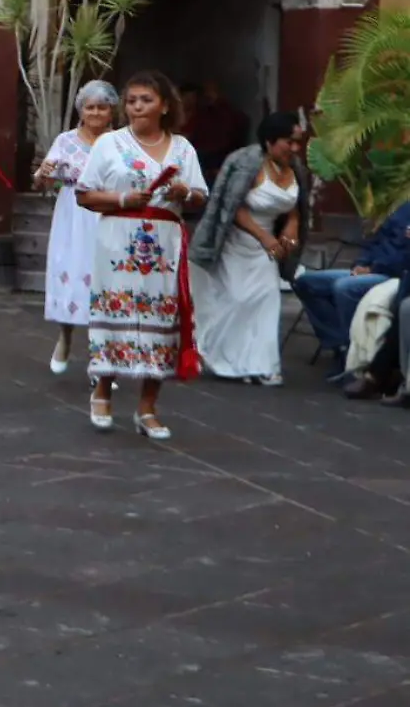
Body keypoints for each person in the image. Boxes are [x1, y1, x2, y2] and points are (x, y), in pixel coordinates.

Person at [76, 70, 209, 440]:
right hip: (118, 239)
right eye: (131, 100)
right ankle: (102, 389)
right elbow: (84, 194)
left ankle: (147, 408)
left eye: (145, 100)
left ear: (165, 106)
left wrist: (185, 193)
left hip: (165, 243)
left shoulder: (182, 148)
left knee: (160, 320)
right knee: (114, 312)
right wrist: (122, 198)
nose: (137, 107)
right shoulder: (109, 144)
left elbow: (201, 195)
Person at [190, 111, 306, 386]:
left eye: (298, 142)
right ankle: (226, 360)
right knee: (237, 300)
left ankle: (262, 364)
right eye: (289, 142)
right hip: (234, 241)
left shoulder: (295, 167)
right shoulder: (243, 162)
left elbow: (294, 206)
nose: (295, 148)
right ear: (269, 141)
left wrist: (291, 224)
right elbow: (233, 208)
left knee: (266, 299)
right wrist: (263, 237)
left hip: (267, 247)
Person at [33, 81, 119, 375]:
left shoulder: (121, 141)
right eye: (89, 107)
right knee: (71, 277)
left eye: (102, 107)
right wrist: (44, 174)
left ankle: (103, 356)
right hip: (73, 215)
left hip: (109, 212)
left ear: (112, 111)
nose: (95, 113)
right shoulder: (66, 140)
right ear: (81, 110)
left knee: (107, 281)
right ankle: (65, 337)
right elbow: (42, 181)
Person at [292, 200, 410, 361]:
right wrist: (361, 263)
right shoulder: (405, 208)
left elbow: (403, 261)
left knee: (344, 287)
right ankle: (340, 343)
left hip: (394, 276)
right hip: (370, 268)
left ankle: (352, 353)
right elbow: (376, 241)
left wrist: (373, 269)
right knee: (306, 282)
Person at [181, 80, 248, 184]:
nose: (190, 101)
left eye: (193, 97)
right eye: (187, 97)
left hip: (213, 158)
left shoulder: (219, 114)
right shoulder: (192, 115)